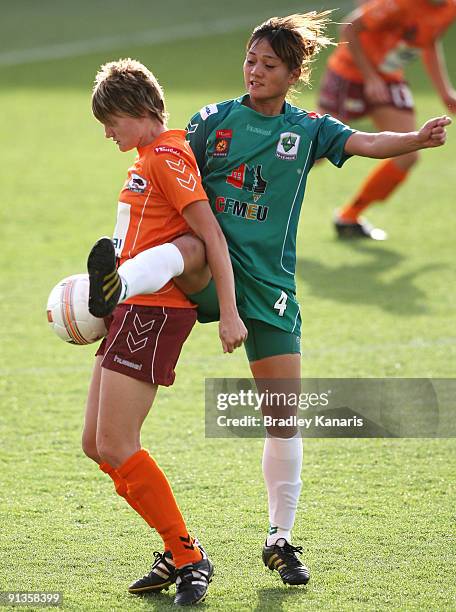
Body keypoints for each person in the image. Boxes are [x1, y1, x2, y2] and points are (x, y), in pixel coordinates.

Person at [88, 13, 450, 589]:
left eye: (269, 65)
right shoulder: (214, 121)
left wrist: (415, 137)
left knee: (282, 416)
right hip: (204, 273)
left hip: (267, 287)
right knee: (189, 240)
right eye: (251, 61)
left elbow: (367, 140)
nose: (255, 72)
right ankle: (122, 284)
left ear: (293, 73)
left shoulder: (307, 130)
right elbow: (168, 165)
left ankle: (279, 540)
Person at [83, 58, 247, 606]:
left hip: (155, 313)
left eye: (111, 121)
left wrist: (228, 311)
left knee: (115, 443)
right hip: (128, 311)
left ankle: (187, 555)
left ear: (138, 110)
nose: (108, 133)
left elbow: (210, 238)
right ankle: (177, 549)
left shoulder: (168, 157)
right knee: (96, 445)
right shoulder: (145, 158)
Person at [317, 0, 456, 239]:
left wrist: (445, 93)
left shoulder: (450, 7)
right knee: (315, 150)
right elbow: (349, 28)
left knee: (408, 154)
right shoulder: (400, 3)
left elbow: (430, 41)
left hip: (388, 77)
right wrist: (370, 77)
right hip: (348, 74)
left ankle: (349, 217)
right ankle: (258, 200)